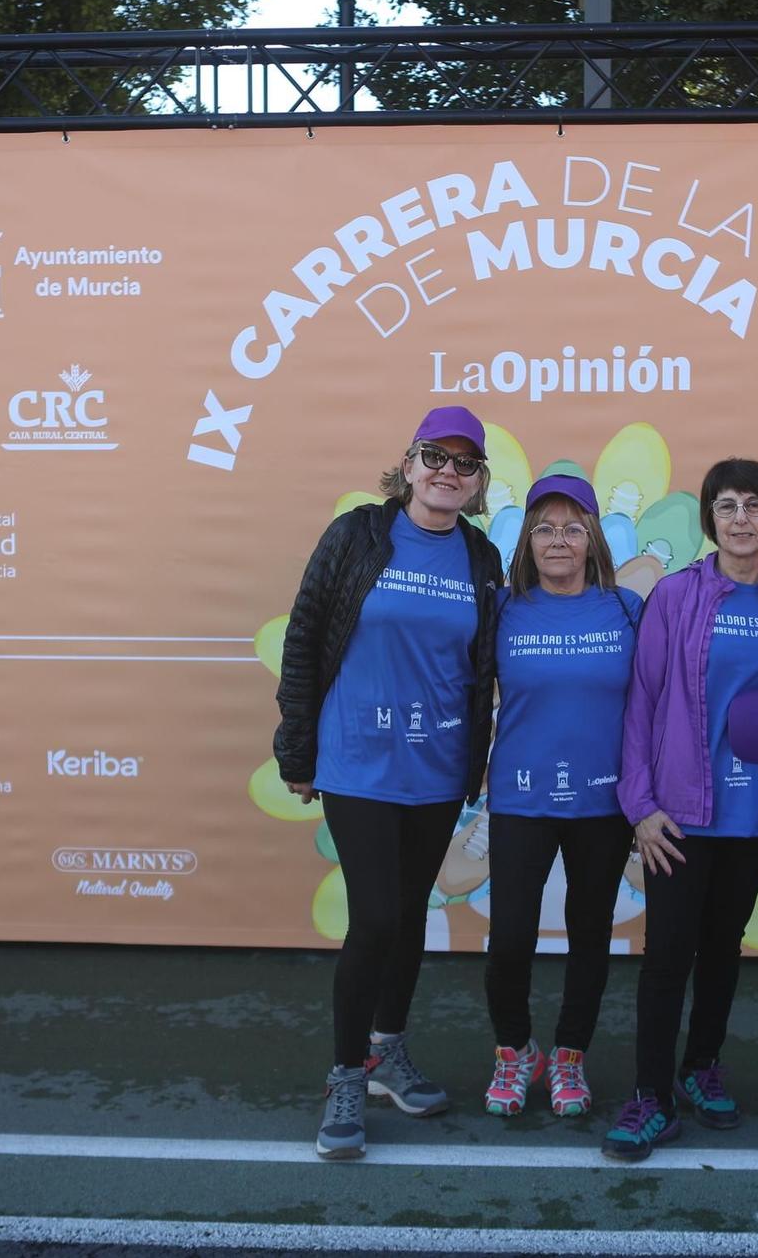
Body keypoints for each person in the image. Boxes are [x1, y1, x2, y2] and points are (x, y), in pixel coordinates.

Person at [274, 406, 504, 1161]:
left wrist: (477, 762)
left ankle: (386, 1052)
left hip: (435, 768)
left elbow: (483, 669)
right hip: (358, 761)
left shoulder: (480, 557)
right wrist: (297, 749)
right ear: (407, 465)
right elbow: (306, 635)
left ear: (477, 486)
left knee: (408, 914)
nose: (448, 471)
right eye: (435, 455)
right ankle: (345, 1075)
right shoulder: (357, 535)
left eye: (465, 464)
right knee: (375, 916)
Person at [603, 458, 758, 1162]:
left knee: (724, 946)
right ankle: (650, 1096)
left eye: (756, 505)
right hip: (681, 813)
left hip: (756, 812)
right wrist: (639, 804)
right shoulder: (675, 594)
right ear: (710, 520)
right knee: (667, 955)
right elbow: (641, 701)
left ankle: (701, 1067)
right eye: (727, 506)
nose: (741, 519)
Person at [482, 475, 642, 1119]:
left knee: (588, 933)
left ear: (593, 540)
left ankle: (570, 1055)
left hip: (604, 802)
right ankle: (514, 1052)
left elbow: (663, 699)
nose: (558, 540)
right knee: (512, 936)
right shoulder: (502, 610)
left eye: (573, 528)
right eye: (544, 528)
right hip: (521, 796)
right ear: (527, 541)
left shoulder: (628, 609)